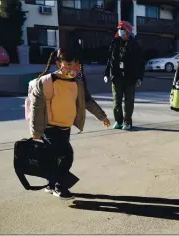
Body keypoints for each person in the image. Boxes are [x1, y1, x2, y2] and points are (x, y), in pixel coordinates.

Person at [29, 48, 111, 200]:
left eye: (76, 64)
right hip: (50, 128)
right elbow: (36, 108)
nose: (73, 67)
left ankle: (50, 184)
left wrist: (102, 117)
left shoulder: (77, 83)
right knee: (67, 156)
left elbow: (88, 102)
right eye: (68, 63)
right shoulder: (47, 82)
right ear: (58, 63)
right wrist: (36, 131)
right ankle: (59, 186)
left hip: (65, 127)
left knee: (55, 157)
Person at [104, 20, 144, 130]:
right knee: (116, 101)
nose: (120, 31)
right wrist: (106, 73)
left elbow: (140, 63)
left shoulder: (134, 45)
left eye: (122, 29)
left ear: (127, 31)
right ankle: (118, 121)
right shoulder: (115, 42)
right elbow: (110, 59)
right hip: (116, 77)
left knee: (128, 102)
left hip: (130, 78)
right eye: (119, 29)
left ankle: (127, 122)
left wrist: (140, 78)